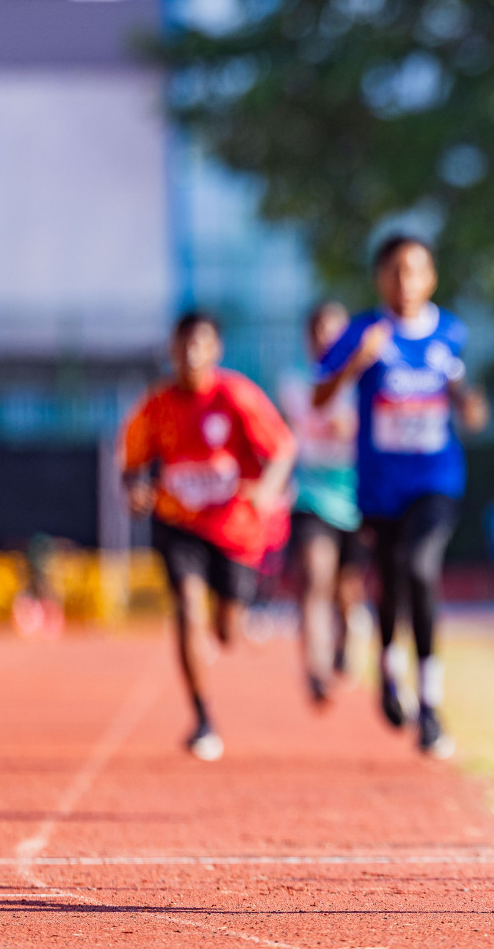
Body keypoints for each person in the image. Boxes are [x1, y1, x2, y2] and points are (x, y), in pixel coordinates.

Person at [314, 236, 487, 758]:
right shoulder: (361, 332)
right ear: (379, 278)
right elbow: (321, 397)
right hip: (379, 486)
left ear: (430, 278)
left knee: (419, 567)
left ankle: (430, 704)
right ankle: (390, 671)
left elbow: (468, 404)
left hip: (435, 481)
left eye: (414, 271)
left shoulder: (449, 332)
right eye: (394, 271)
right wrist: (354, 365)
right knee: (389, 580)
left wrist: (468, 403)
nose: (404, 281)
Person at [122, 311, 296, 761]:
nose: (190, 355)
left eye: (200, 345)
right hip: (178, 523)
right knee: (186, 608)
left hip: (236, 530)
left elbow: (282, 448)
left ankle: (232, 622)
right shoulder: (156, 404)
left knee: (227, 630)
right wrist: (136, 488)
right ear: (171, 351)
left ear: (216, 351)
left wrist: (270, 490)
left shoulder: (236, 395)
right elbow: (133, 461)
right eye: (182, 346)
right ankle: (202, 718)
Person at [279, 302, 369, 706]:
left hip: (360, 497)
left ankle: (347, 643)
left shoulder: (368, 382)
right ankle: (314, 668)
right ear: (308, 338)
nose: (326, 340)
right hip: (312, 496)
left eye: (334, 332)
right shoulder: (295, 381)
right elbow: (321, 418)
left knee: (347, 590)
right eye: (318, 332)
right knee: (315, 579)